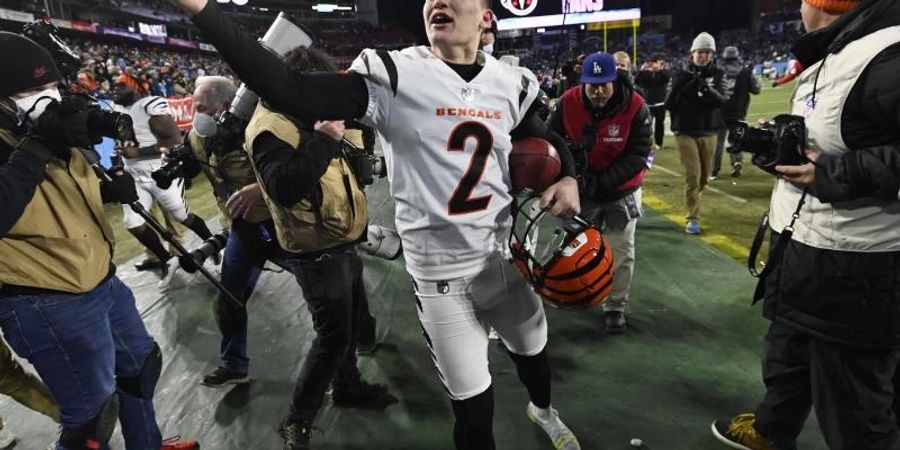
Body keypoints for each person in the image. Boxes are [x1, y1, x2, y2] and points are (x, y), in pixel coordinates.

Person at [169, 0, 584, 449]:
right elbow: (286, 87)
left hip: (500, 262)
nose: (437, 2)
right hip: (440, 280)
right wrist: (202, 9)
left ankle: (542, 410)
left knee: (534, 358)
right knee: (473, 410)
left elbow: (541, 134)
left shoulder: (509, 82)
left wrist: (568, 176)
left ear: (486, 16)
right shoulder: (396, 76)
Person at [711, 0, 900, 449]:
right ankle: (773, 430)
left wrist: (836, 173)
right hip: (808, 246)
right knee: (788, 355)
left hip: (858, 260)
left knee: (855, 405)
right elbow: (842, 134)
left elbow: (852, 158)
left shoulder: (887, 53)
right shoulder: (842, 49)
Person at [0, 31, 197, 450]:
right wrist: (39, 145)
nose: (48, 97)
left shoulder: (49, 128)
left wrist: (111, 190)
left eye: (52, 86)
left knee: (140, 368)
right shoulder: (34, 137)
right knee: (90, 420)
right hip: (44, 295)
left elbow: (60, 195)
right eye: (33, 90)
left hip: (100, 277)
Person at [548, 52, 652, 334]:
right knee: (574, 247)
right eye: (591, 84)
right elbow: (550, 141)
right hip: (580, 189)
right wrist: (570, 176)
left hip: (621, 190)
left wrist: (599, 183)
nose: (597, 90)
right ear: (582, 81)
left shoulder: (636, 105)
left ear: (614, 80)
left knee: (621, 250)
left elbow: (638, 154)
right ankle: (578, 292)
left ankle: (615, 305)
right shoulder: (567, 102)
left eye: (603, 83)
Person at [112, 80, 214, 275]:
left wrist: (138, 153)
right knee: (132, 223)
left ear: (137, 87)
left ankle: (214, 244)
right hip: (133, 175)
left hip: (158, 172)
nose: (114, 88)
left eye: (121, 85)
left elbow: (174, 139)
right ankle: (167, 260)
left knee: (181, 215)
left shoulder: (149, 105)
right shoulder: (117, 110)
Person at [664, 32, 729, 235]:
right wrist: (679, 86)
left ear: (712, 55)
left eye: (707, 52)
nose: (703, 56)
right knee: (693, 175)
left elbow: (721, 99)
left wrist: (704, 88)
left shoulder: (718, 74)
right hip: (684, 130)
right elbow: (669, 103)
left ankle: (694, 200)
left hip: (709, 130)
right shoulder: (679, 73)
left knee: (704, 178)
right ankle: (692, 217)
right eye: (700, 52)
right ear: (692, 53)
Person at [712, 46, 760, 179]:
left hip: (719, 112)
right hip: (739, 111)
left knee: (718, 143)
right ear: (737, 57)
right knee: (737, 140)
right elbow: (756, 89)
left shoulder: (718, 72)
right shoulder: (746, 72)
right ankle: (737, 162)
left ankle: (714, 171)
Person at [635, 59, 670, 150]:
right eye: (651, 63)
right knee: (645, 125)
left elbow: (665, 78)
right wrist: (642, 71)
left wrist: (658, 70)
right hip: (647, 104)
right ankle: (644, 143)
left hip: (660, 104)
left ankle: (659, 143)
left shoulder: (664, 73)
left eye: (655, 63)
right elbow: (637, 81)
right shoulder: (646, 74)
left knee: (659, 125)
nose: (652, 65)